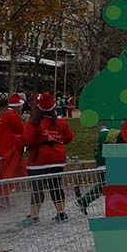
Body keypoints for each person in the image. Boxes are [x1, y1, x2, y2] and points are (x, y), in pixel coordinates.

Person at [20, 92, 74, 226]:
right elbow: (69, 138)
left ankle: (34, 216)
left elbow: (27, 139)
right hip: (57, 158)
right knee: (56, 186)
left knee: (37, 188)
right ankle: (61, 213)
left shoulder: (34, 123)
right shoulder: (61, 122)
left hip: (38, 161)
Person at [0, 94, 27, 207]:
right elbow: (21, 130)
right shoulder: (12, 115)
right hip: (8, 150)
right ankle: (1, 197)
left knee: (3, 173)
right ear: (18, 106)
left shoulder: (4, 114)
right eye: (21, 105)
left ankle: (1, 198)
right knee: (13, 172)